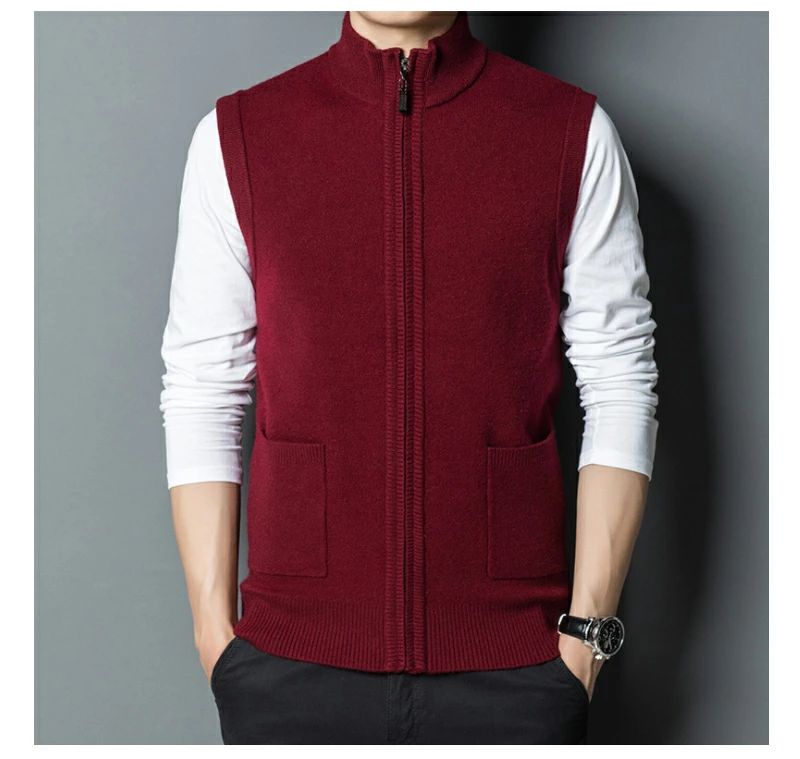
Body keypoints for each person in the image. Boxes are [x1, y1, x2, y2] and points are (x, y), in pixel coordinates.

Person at [159, 10, 659, 745]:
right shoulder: (238, 136)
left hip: (517, 665)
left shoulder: (570, 130)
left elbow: (620, 376)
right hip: (288, 665)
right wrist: (215, 633)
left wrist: (585, 638)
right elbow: (204, 385)